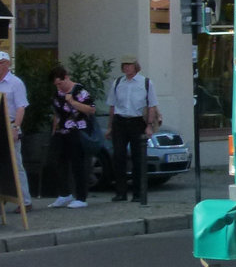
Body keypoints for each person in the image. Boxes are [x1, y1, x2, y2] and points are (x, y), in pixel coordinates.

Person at [106, 54, 161, 201]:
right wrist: (110, 126)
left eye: (129, 65)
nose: (126, 67)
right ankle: (120, 192)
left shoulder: (146, 83)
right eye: (124, 65)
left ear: (136, 66)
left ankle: (138, 193)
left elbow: (151, 106)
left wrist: (149, 126)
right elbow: (112, 106)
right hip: (120, 121)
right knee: (119, 157)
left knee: (138, 158)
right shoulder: (118, 83)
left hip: (137, 122)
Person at [47, 65, 95, 209]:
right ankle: (64, 193)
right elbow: (57, 112)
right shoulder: (58, 93)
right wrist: (54, 130)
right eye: (56, 84)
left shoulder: (79, 91)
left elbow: (91, 109)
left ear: (66, 77)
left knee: (77, 164)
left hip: (77, 131)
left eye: (60, 83)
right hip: (62, 132)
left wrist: (72, 102)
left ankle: (81, 197)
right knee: (58, 162)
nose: (59, 87)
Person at [0, 51, 31, 212]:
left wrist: (15, 128)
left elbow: (21, 107)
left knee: (16, 164)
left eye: (0, 63)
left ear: (7, 64)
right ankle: (3, 197)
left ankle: (25, 201)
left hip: (10, 125)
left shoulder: (15, 83)